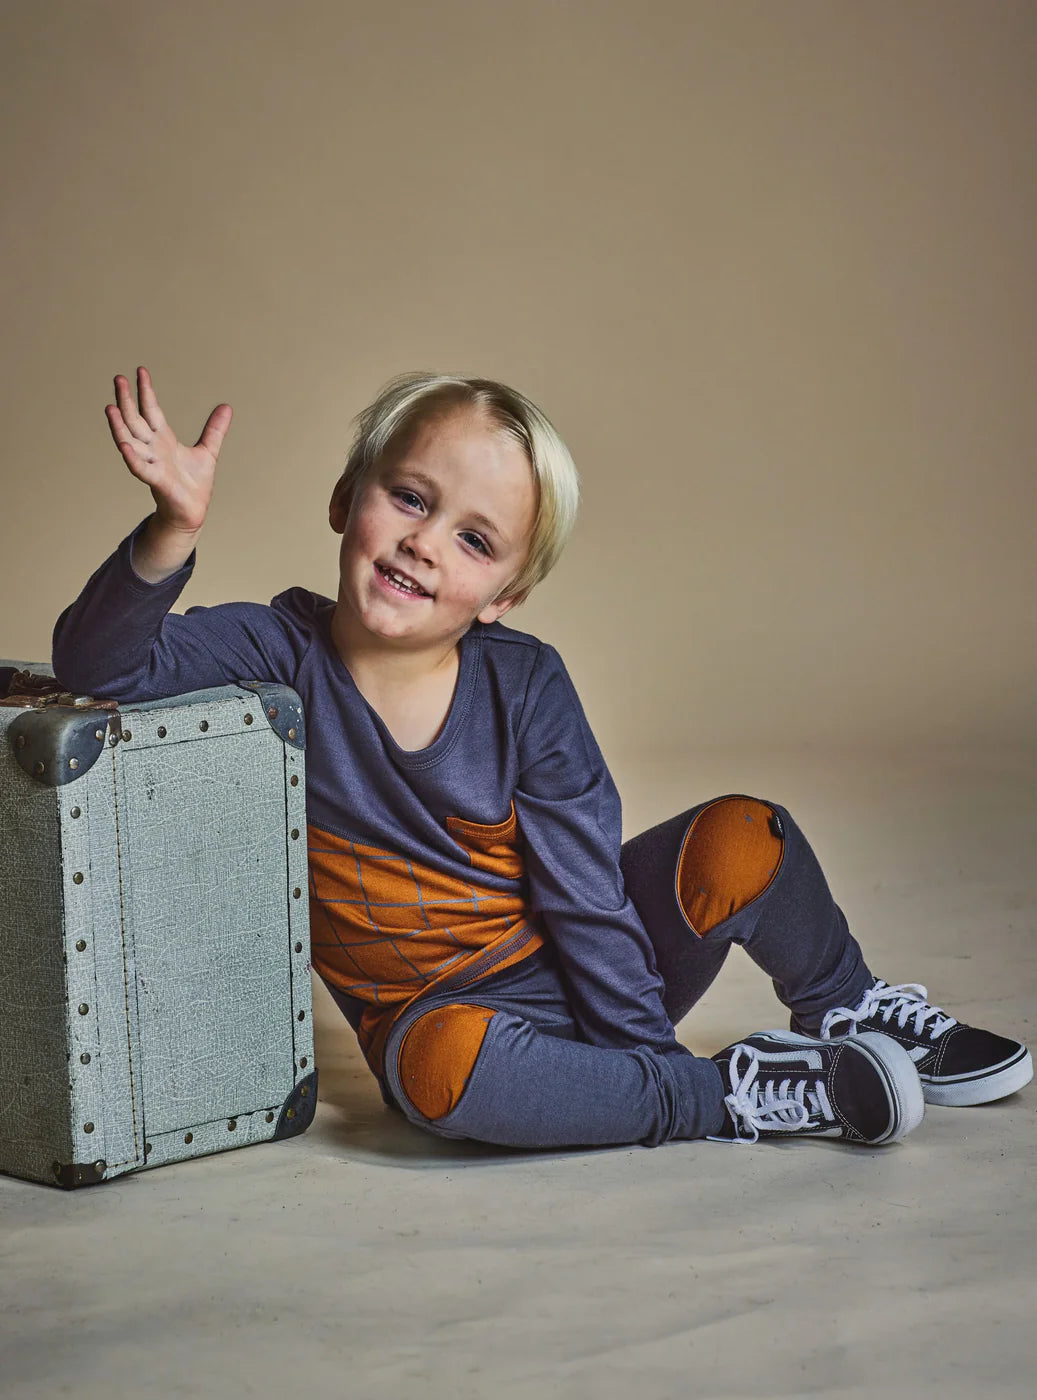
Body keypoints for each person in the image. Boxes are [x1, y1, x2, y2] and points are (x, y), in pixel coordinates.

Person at [51, 366, 1032, 1150]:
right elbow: (100, 667)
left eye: (474, 540)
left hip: (584, 968)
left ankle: (845, 1011)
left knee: (742, 834)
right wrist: (172, 527)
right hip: (451, 1020)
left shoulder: (525, 686)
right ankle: (730, 1093)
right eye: (408, 497)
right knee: (435, 1078)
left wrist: (638, 1052)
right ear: (346, 498)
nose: (424, 543)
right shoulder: (273, 648)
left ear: (504, 597)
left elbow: (584, 895)